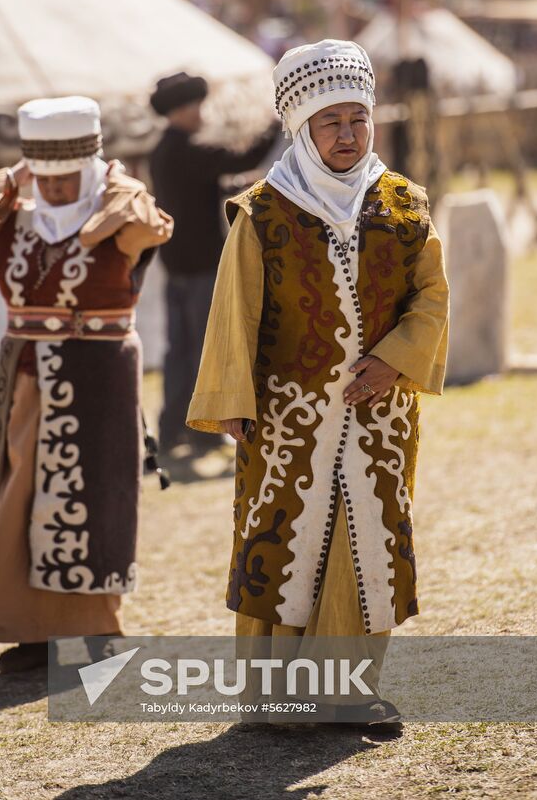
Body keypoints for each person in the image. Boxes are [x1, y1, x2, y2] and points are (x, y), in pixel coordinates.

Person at [187, 40, 450, 729]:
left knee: (366, 547)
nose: (346, 135)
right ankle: (278, 702)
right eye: (329, 122)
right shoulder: (264, 212)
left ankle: (349, 693)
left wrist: (395, 359)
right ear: (301, 127)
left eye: (357, 119)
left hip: (379, 421)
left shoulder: (403, 203)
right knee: (286, 542)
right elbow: (233, 310)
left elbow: (429, 297)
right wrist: (231, 401)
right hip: (286, 418)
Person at [0, 96, 173, 674]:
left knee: (99, 497)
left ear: (91, 168)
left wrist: (110, 180)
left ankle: (93, 630)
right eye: (47, 177)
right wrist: (15, 179)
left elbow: (147, 224)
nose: (59, 189)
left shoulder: (123, 213)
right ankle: (30, 630)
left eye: (70, 177)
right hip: (29, 370)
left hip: (102, 371)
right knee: (27, 493)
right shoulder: (9, 217)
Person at [149, 71, 277, 460]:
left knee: (179, 350)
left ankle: (172, 431)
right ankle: (201, 433)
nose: (201, 114)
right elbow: (244, 157)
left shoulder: (163, 149)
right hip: (201, 263)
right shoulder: (187, 148)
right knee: (203, 351)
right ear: (181, 110)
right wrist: (274, 124)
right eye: (194, 106)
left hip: (175, 262)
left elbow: (203, 187)